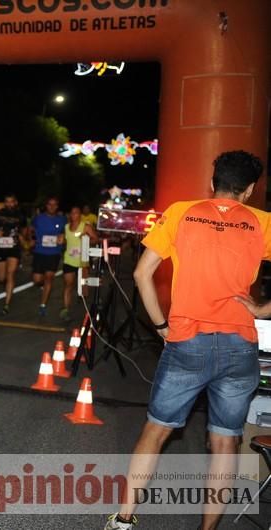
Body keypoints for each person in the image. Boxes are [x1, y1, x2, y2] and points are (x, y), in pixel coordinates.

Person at [106, 151, 270, 530]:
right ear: (249, 190)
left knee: (156, 430)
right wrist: (263, 309)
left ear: (213, 182)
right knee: (226, 442)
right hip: (238, 343)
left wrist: (161, 327)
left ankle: (123, 519)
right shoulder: (262, 222)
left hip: (187, 341)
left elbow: (142, 273)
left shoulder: (181, 212)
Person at [0, 193, 27, 314]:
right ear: (5, 202)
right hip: (1, 247)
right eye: (7, 201)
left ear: (15, 202)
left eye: (11, 201)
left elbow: (24, 228)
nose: (9, 204)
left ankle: (7, 304)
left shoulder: (20, 214)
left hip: (14, 248)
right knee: (1, 277)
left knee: (11, 273)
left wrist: (22, 237)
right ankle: (7, 285)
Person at [60, 206, 98, 321]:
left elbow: (96, 239)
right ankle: (65, 309)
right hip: (69, 260)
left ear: (80, 214)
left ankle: (85, 311)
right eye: (72, 213)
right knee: (68, 284)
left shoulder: (85, 227)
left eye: (76, 213)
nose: (74, 215)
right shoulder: (66, 227)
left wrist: (86, 239)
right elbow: (66, 241)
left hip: (82, 260)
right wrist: (61, 240)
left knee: (83, 288)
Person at [30, 196, 65, 317]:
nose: (52, 207)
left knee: (49, 278)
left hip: (54, 253)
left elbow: (65, 233)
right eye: (50, 204)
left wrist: (62, 239)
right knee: (37, 280)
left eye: (54, 204)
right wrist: (32, 239)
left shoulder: (62, 220)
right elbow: (31, 229)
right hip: (39, 252)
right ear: (46, 205)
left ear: (57, 206)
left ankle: (43, 305)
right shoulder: (38, 218)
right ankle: (41, 285)